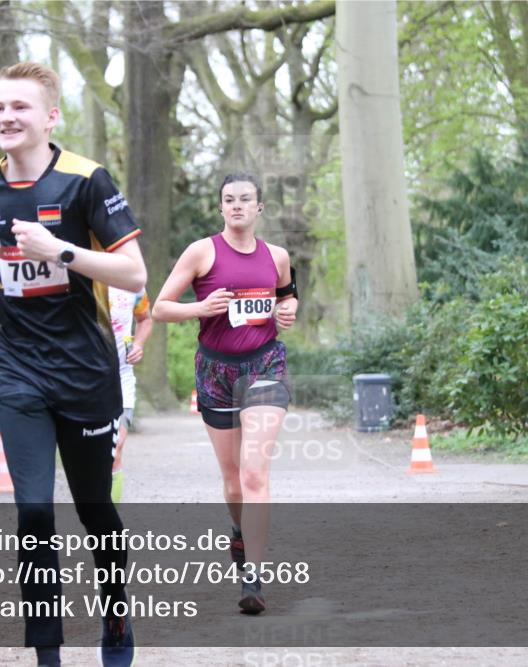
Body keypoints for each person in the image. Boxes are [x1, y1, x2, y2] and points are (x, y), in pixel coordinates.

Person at [0, 62, 144, 667]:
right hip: (19, 368)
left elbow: (135, 273)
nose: (6, 118)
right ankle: (48, 654)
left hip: (85, 371)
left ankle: (115, 610)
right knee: (33, 511)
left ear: (50, 116)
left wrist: (61, 249)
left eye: (20, 108)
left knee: (94, 510)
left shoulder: (87, 180)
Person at [152, 172, 298, 614]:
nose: (237, 206)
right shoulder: (201, 252)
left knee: (255, 473)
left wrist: (288, 310)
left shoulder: (277, 257)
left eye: (245, 199)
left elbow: (288, 298)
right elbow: (159, 308)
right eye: (229, 200)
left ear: (259, 208)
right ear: (221, 209)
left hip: (265, 364)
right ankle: (238, 531)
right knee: (234, 479)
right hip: (215, 369)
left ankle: (252, 577)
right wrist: (200, 307)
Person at [107, 286, 153, 503]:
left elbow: (145, 319)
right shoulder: (81, 272)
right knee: (90, 458)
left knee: (115, 451)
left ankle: (106, 523)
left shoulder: (132, 283)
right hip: (82, 378)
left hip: (121, 379)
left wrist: (138, 345)